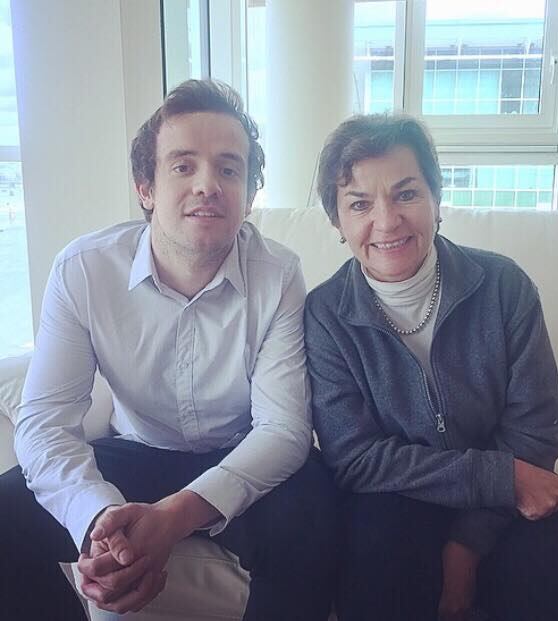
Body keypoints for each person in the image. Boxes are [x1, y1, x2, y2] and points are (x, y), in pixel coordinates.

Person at [0, 79, 336, 621]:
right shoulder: (84, 270)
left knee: (315, 512)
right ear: (146, 188)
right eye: (183, 166)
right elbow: (43, 424)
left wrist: (173, 519)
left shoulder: (279, 275)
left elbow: (283, 429)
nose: (208, 185)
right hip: (139, 449)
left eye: (229, 169)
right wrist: (99, 521)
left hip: (240, 450)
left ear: (249, 196)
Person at [305, 114, 558, 621]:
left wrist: (467, 545)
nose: (387, 221)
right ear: (337, 222)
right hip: (398, 496)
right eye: (360, 204)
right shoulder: (325, 314)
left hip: (508, 496)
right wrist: (498, 477)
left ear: (437, 199)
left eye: (407, 194)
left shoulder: (504, 286)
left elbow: (535, 432)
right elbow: (355, 458)